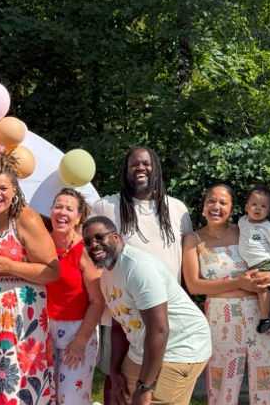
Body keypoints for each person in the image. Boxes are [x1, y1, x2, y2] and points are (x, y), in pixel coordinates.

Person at [91, 146, 192, 402]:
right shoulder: (107, 206)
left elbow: (186, 263)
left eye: (146, 163)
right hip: (122, 317)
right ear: (125, 172)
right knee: (117, 383)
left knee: (158, 384)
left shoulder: (177, 209)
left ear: (156, 168)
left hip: (164, 314)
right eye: (133, 165)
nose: (140, 168)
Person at [0, 152, 60, 405]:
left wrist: (9, 265)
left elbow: (52, 271)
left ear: (14, 191)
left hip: (15, 316)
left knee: (12, 379)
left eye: (3, 188)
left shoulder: (25, 218)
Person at [84, 215, 211, 405]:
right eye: (87, 242)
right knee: (124, 398)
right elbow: (119, 325)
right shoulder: (107, 277)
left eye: (100, 237)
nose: (94, 244)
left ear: (116, 237)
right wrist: (115, 370)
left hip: (181, 346)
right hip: (143, 347)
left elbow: (159, 329)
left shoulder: (138, 268)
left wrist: (144, 387)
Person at [182, 184, 270, 405]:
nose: (216, 207)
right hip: (222, 320)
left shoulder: (245, 232)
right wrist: (239, 282)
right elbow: (194, 286)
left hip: (261, 314)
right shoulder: (193, 240)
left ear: (232, 208)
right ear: (203, 206)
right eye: (211, 200)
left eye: (223, 202)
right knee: (222, 387)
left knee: (268, 382)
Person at [46, 188, 104, 404]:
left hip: (79, 330)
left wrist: (80, 341)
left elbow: (98, 301)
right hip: (45, 331)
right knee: (46, 394)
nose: (62, 212)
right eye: (58, 206)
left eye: (69, 209)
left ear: (79, 217)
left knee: (71, 398)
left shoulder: (86, 250)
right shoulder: (41, 243)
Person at [237, 186, 270, 334]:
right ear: (246, 207)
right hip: (253, 264)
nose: (258, 209)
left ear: (269, 211)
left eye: (263, 206)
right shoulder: (242, 222)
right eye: (254, 204)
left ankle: (265, 318)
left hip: (264, 262)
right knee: (265, 291)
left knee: (260, 288)